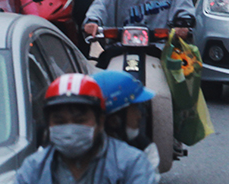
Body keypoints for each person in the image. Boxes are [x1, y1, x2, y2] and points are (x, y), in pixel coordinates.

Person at [17, 74, 157, 184]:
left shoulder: (131, 164)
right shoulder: (33, 169)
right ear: (48, 124)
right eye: (60, 121)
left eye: (80, 121)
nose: (70, 128)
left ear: (100, 121)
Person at [93, 70, 160, 174]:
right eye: (134, 109)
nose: (139, 116)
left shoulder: (144, 149)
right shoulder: (79, 155)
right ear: (114, 120)